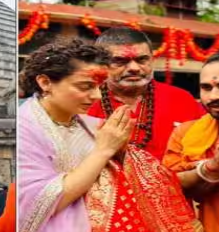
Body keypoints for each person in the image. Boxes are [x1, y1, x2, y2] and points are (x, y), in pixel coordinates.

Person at [18, 39, 204, 232]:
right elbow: (41, 202)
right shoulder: (25, 127)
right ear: (45, 82)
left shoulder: (87, 125)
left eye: (99, 86)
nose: (96, 95)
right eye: (85, 86)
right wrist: (104, 150)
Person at [88, 27, 205, 160]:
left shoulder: (181, 99)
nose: (134, 68)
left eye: (142, 59)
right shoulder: (85, 101)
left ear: (152, 59)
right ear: (99, 64)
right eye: (120, 61)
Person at [163, 52, 219, 232]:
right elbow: (168, 184)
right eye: (206, 88)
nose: (214, 95)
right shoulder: (186, 133)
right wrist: (210, 167)